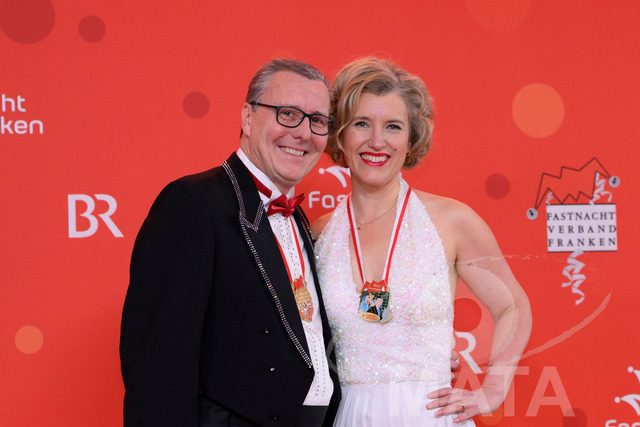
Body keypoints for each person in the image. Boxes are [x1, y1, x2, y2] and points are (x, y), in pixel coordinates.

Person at [120, 58, 342, 426]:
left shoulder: (301, 221)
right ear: (247, 118)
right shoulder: (194, 203)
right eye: (287, 114)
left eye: (317, 120)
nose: (304, 133)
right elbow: (157, 366)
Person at [312, 57, 532, 426]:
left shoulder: (452, 221)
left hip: (429, 415)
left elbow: (513, 306)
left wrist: (493, 389)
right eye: (362, 123)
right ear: (340, 135)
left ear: (411, 138)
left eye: (393, 126)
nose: (377, 141)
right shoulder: (319, 233)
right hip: (349, 416)